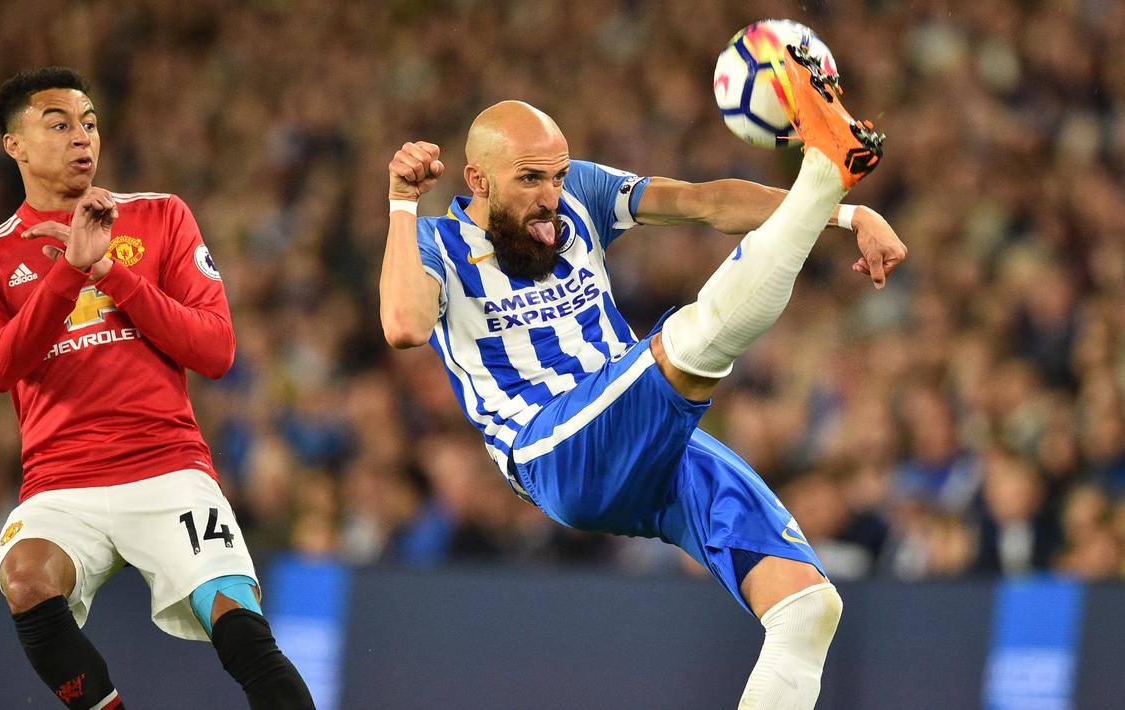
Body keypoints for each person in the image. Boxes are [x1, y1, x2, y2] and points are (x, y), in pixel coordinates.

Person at [380, 46, 905, 709]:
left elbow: (705, 202)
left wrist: (849, 218)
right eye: (530, 180)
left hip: (649, 437)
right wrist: (402, 204)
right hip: (555, 450)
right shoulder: (434, 245)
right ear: (477, 180)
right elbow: (402, 324)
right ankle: (825, 171)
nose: (550, 199)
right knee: (686, 342)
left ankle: (827, 183)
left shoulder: (580, 198)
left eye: (559, 176)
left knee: (807, 607)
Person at [0, 67, 315, 709]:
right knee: (25, 576)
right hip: (61, 482)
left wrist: (110, 271)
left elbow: (216, 350)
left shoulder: (161, 217)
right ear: (16, 146)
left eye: (88, 122)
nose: (81, 136)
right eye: (58, 124)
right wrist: (69, 273)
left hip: (168, 468)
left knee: (242, 628)